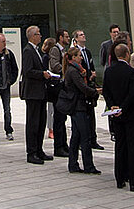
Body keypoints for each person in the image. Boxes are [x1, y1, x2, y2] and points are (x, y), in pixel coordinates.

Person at [102, 42, 134, 192]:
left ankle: (120, 177)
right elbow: (132, 94)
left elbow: (106, 91)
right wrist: (123, 107)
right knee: (132, 147)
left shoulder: (109, 71)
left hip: (116, 114)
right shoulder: (130, 72)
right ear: (127, 54)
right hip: (130, 114)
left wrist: (113, 106)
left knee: (120, 145)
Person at [59, 45, 100, 174]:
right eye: (79, 56)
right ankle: (88, 165)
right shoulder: (73, 71)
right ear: (73, 58)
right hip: (78, 106)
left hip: (79, 105)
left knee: (76, 136)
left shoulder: (77, 70)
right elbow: (82, 87)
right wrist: (95, 92)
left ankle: (73, 164)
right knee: (84, 137)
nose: (81, 58)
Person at [20, 25, 53, 164]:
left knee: (41, 122)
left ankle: (39, 150)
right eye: (38, 34)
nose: (40, 36)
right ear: (33, 36)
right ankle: (31, 152)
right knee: (33, 123)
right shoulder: (28, 51)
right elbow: (27, 71)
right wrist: (42, 74)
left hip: (40, 92)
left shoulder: (37, 51)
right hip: (33, 93)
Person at [73, 29, 103, 149]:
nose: (83, 36)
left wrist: (93, 74)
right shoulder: (75, 53)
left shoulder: (88, 52)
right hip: (83, 85)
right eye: (80, 35)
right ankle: (83, 140)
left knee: (91, 114)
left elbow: (91, 65)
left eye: (83, 34)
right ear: (76, 39)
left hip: (90, 83)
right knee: (83, 115)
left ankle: (93, 139)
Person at [47, 29, 70, 157]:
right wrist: (67, 69)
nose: (68, 38)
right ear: (60, 37)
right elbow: (55, 65)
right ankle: (59, 146)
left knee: (62, 117)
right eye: (66, 36)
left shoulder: (63, 51)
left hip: (63, 86)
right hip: (57, 87)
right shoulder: (55, 50)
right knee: (59, 117)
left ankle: (63, 144)